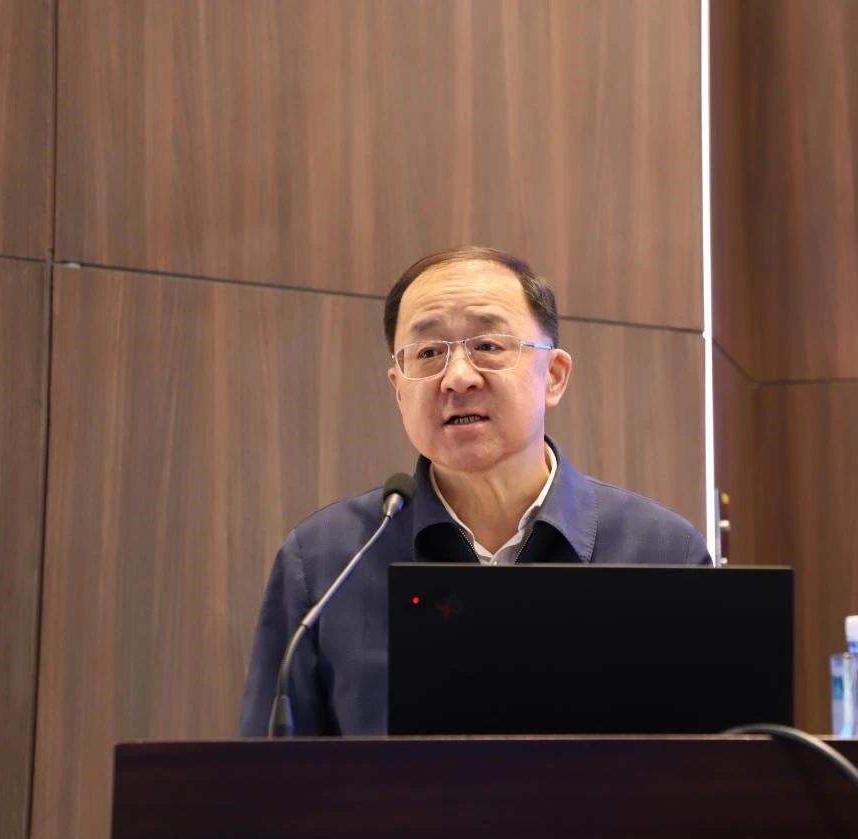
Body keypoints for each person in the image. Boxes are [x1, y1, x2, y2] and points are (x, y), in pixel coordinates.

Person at [240, 246, 711, 736]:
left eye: (488, 345)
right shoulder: (327, 561)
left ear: (553, 376)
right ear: (399, 389)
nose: (458, 378)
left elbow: (717, 771)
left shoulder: (663, 553)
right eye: (428, 353)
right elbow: (269, 775)